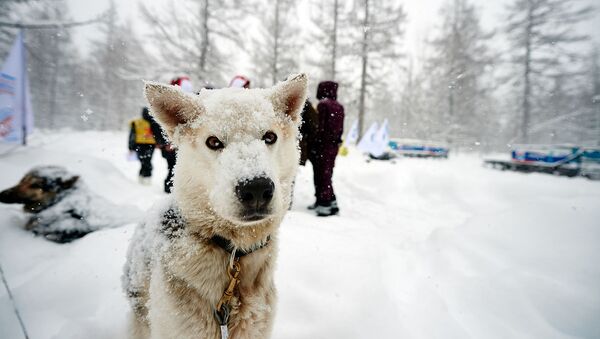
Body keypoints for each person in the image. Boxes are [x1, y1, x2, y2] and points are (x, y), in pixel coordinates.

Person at [310, 81, 344, 217]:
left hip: (322, 147)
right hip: (333, 146)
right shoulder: (339, 107)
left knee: (321, 175)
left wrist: (314, 143)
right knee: (327, 174)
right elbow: (340, 129)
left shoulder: (323, 105)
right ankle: (331, 202)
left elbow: (320, 128)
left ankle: (324, 204)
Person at [129, 107, 156, 185]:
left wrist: (131, 146)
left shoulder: (137, 122)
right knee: (146, 161)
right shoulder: (153, 122)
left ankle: (143, 177)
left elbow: (132, 135)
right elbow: (132, 134)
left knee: (144, 161)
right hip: (148, 145)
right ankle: (146, 177)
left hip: (142, 145)